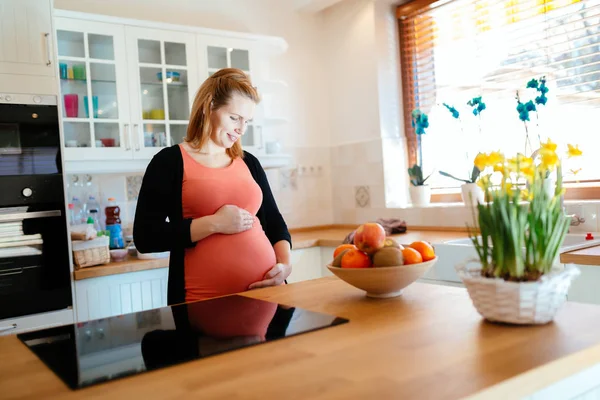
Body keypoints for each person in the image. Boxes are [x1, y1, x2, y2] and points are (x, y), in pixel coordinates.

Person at [133, 68, 292, 305]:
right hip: (202, 304)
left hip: (269, 297)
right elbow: (145, 237)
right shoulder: (169, 162)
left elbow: (274, 221)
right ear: (209, 107)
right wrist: (215, 223)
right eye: (234, 117)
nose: (241, 129)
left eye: (246, 121)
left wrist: (285, 265)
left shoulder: (249, 162)